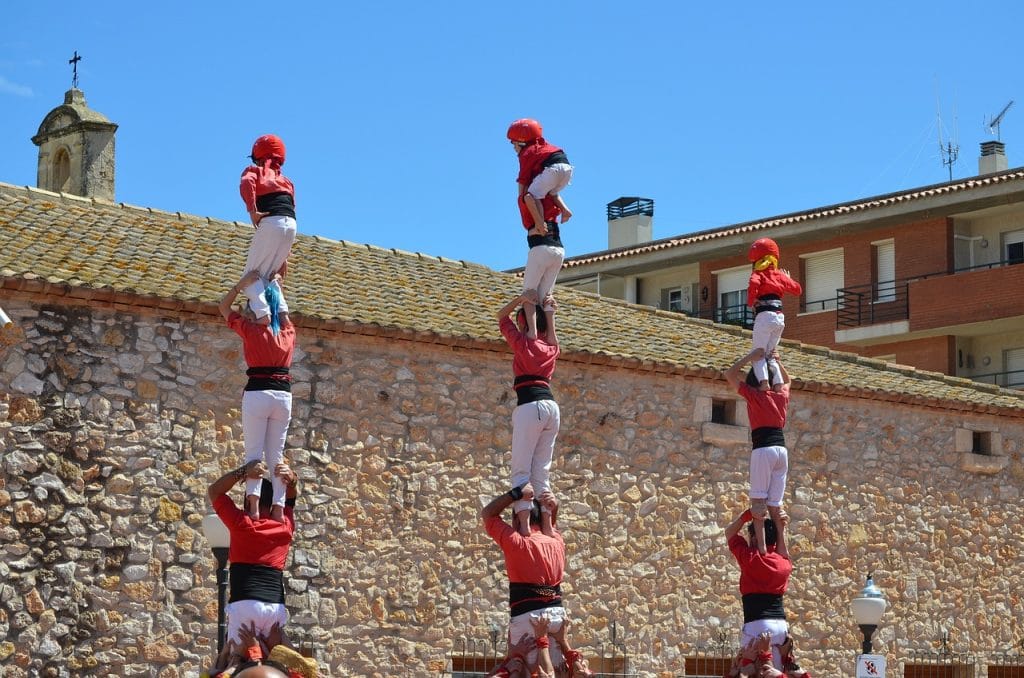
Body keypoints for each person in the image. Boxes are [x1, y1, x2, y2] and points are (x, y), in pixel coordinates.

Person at [220, 271, 296, 520]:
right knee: (277, 453)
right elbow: (283, 313)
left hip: (258, 392)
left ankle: (252, 507)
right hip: (283, 396)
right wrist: (277, 289)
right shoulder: (288, 333)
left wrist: (240, 285)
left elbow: (223, 307)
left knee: (253, 454)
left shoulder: (250, 331)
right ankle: (277, 508)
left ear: (252, 314)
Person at [207, 460, 299, 665]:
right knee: (280, 663)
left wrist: (243, 472)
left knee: (229, 662)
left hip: (245, 604)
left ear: (249, 502)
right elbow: (290, 501)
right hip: (275, 607)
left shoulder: (242, 523)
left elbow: (214, 492)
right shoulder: (285, 527)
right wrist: (291, 481)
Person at [481, 486, 567, 671]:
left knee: (522, 672)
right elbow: (551, 528)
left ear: (515, 519)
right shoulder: (557, 541)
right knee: (553, 672)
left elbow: (488, 514)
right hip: (556, 617)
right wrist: (552, 509)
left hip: (529, 617)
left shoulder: (517, 542)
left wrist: (515, 494)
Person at [497, 293, 560, 537]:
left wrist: (521, 299)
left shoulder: (525, 343)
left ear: (523, 323)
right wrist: (549, 313)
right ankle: (546, 525)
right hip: (551, 407)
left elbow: (501, 316)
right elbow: (549, 334)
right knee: (541, 471)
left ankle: (523, 526)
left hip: (530, 405)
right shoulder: (552, 347)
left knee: (521, 470)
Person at [507, 118, 572, 339]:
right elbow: (551, 191)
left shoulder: (528, 154)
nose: (513, 148)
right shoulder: (548, 200)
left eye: (514, 143)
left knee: (529, 293)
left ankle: (533, 333)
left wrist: (535, 221)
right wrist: (562, 210)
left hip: (541, 247)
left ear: (521, 142)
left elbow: (524, 185)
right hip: (559, 251)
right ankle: (552, 335)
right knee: (547, 295)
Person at [725, 348, 792, 558]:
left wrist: (749, 358)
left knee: (758, 505)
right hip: (781, 451)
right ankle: (783, 548)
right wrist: (777, 362)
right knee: (775, 505)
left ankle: (762, 551)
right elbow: (788, 381)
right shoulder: (781, 396)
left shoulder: (754, 396)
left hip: (763, 449)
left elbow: (729, 374)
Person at [724, 507, 792, 672]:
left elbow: (729, 533)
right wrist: (780, 526)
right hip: (780, 627)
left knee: (750, 671)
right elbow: (783, 551)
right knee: (774, 672)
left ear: (754, 539)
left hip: (757, 624)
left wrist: (747, 515)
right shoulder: (783, 564)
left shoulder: (750, 557)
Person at [239, 134, 297, 323]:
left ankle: (263, 319)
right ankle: (283, 316)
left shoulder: (254, 171)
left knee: (250, 278)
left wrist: (252, 211)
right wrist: (284, 256)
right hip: (291, 225)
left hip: (271, 222)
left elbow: (246, 183)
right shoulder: (287, 181)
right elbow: (291, 210)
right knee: (271, 277)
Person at [746, 238, 802, 391]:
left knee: (758, 353)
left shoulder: (758, 274)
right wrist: (788, 279)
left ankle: (764, 383)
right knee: (771, 354)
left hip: (764, 316)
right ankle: (777, 384)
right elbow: (797, 290)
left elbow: (754, 285)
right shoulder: (779, 275)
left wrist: (751, 301)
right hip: (779, 318)